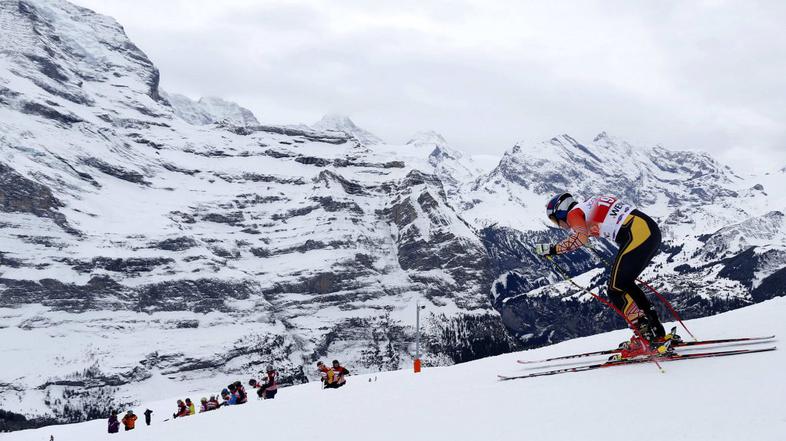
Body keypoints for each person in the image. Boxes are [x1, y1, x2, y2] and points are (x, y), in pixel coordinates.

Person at [536, 193, 681, 358]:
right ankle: (656, 332)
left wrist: (552, 249)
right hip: (649, 231)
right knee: (625, 284)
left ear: (560, 211)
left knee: (615, 290)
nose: (559, 225)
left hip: (638, 234)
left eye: (555, 220)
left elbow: (580, 238)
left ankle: (646, 337)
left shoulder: (573, 214)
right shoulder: (586, 206)